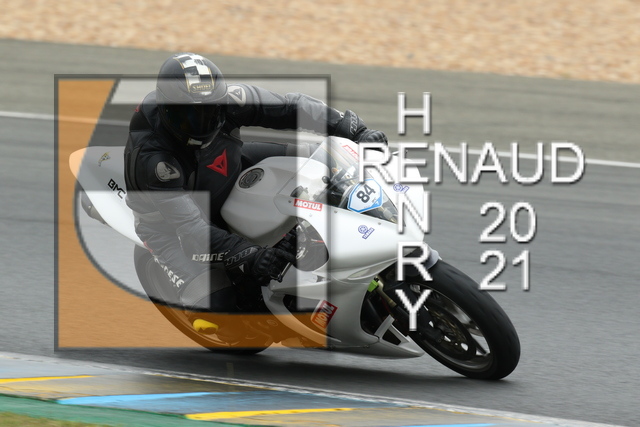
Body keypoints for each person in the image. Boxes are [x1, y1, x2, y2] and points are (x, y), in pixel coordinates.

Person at [124, 52, 387, 337]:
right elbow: (192, 230)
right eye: (188, 116)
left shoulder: (230, 100)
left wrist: (354, 130)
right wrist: (250, 256)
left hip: (230, 166)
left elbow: (291, 107)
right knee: (222, 313)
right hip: (170, 225)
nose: (202, 123)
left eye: (211, 112)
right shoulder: (153, 160)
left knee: (327, 161)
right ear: (165, 110)